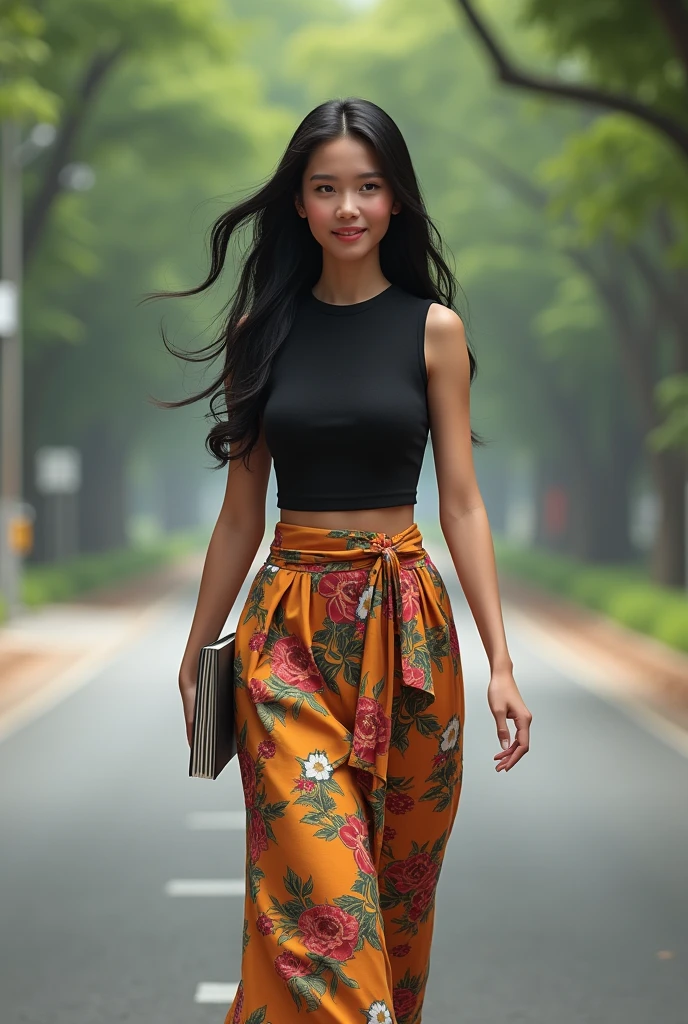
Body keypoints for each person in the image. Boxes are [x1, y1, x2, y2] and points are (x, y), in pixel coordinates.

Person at [148, 97, 532, 1024]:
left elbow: (464, 502)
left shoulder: (433, 330)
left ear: (396, 201)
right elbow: (241, 513)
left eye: (368, 187)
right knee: (324, 903)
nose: (348, 207)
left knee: (396, 908)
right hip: (286, 634)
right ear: (299, 205)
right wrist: (200, 652)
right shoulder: (261, 335)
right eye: (327, 189)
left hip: (411, 635)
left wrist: (502, 664)